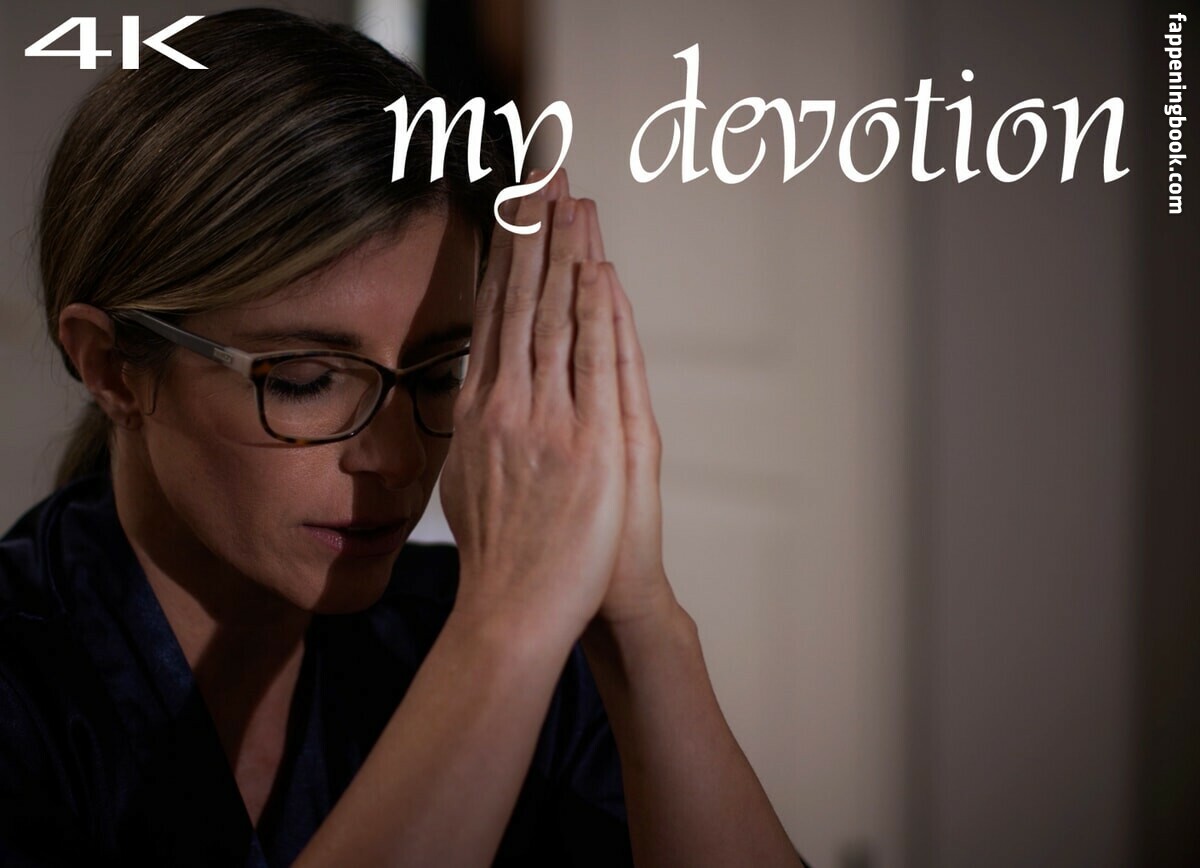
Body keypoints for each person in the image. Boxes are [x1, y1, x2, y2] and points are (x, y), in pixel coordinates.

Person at [0, 8, 804, 867]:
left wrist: (641, 620)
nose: (397, 458)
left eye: (437, 373)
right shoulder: (24, 686)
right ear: (112, 368)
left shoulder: (469, 629)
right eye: (306, 380)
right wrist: (502, 632)